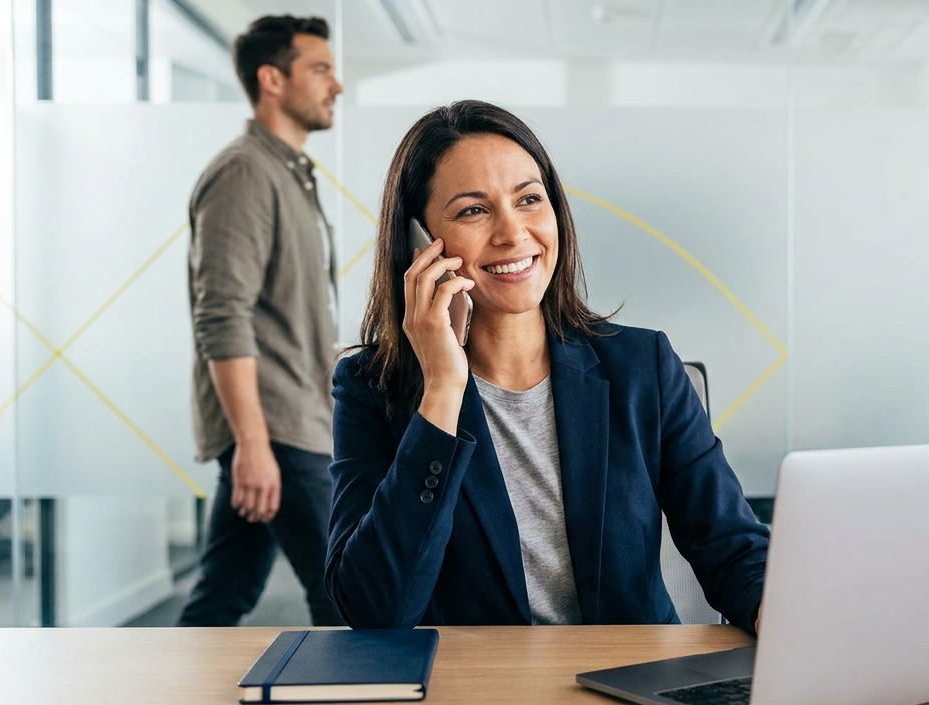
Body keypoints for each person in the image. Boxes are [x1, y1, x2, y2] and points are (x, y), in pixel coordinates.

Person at [325, 101, 769, 633]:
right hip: (478, 697)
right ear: (420, 243)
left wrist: (784, 619)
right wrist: (442, 389)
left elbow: (732, 546)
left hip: (632, 684)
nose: (513, 234)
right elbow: (375, 610)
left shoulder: (642, 367)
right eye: (473, 210)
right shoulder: (374, 390)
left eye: (529, 200)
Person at [179, 15, 344, 626]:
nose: (337, 86)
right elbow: (222, 314)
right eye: (321, 69)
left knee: (224, 592)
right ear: (272, 79)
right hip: (278, 426)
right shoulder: (247, 173)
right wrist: (252, 443)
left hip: (294, 420)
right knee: (348, 595)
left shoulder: (288, 173)